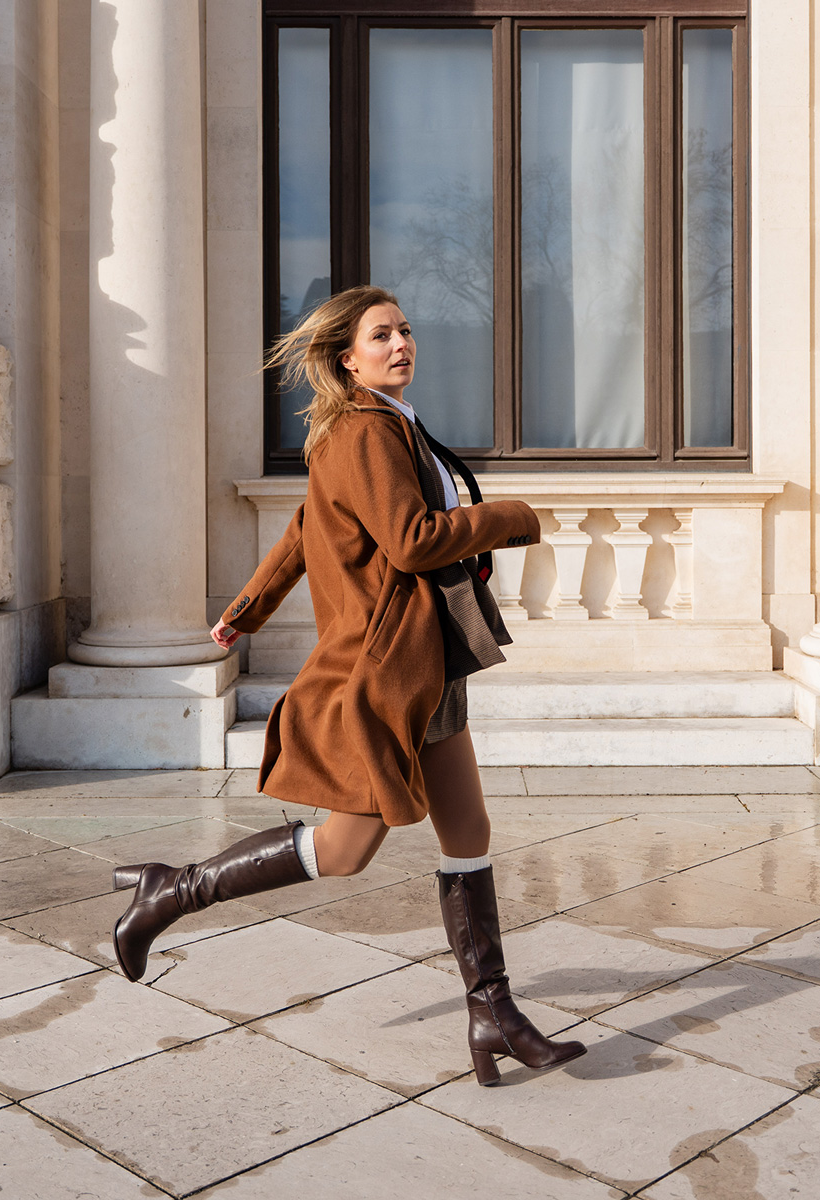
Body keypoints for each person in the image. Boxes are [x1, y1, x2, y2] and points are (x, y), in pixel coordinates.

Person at [107, 284, 583, 1086]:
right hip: (387, 666)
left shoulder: (382, 424)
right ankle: (172, 891)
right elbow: (411, 541)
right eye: (381, 335)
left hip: (429, 658)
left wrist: (246, 609)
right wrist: (512, 516)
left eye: (406, 330)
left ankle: (491, 1011)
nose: (402, 344)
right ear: (345, 356)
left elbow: (305, 526)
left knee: (468, 833)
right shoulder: (363, 430)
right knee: (345, 849)